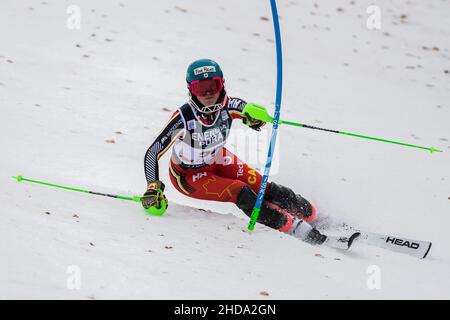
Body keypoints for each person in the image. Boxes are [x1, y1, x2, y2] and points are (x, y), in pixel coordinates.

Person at [141, 58, 328, 245]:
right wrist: (152, 187)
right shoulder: (183, 117)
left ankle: (314, 216)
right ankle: (295, 229)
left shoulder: (229, 105)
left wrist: (255, 118)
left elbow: (247, 110)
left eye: (213, 86)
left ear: (221, 85)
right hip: (188, 176)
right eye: (200, 88)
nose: (207, 94)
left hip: (217, 159)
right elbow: (153, 152)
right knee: (242, 193)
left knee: (266, 188)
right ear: (191, 89)